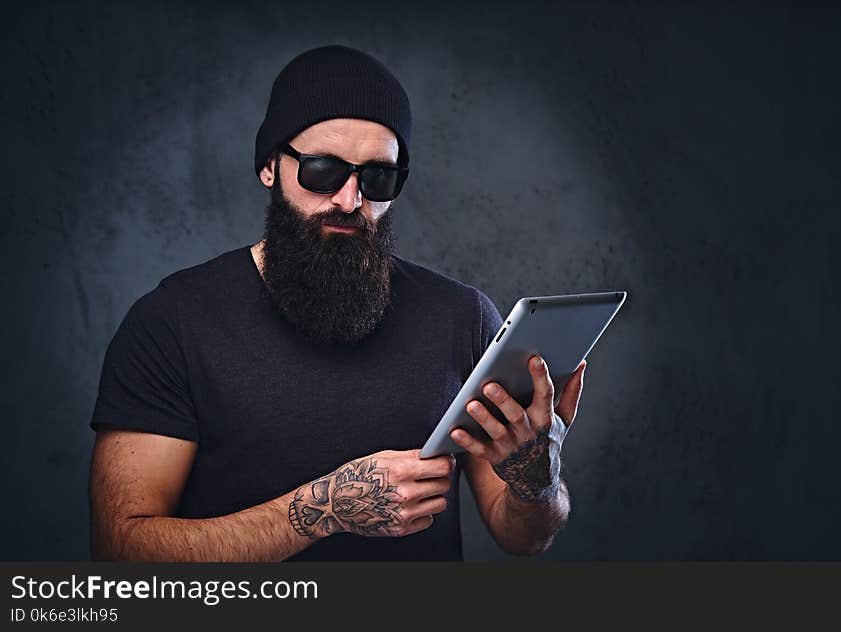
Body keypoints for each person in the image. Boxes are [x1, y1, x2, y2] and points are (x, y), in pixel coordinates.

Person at [88, 44, 588, 561]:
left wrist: (538, 481)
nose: (350, 200)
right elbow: (121, 551)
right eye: (323, 170)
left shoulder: (462, 317)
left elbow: (522, 536)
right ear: (269, 167)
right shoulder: (171, 323)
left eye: (377, 178)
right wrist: (326, 508)